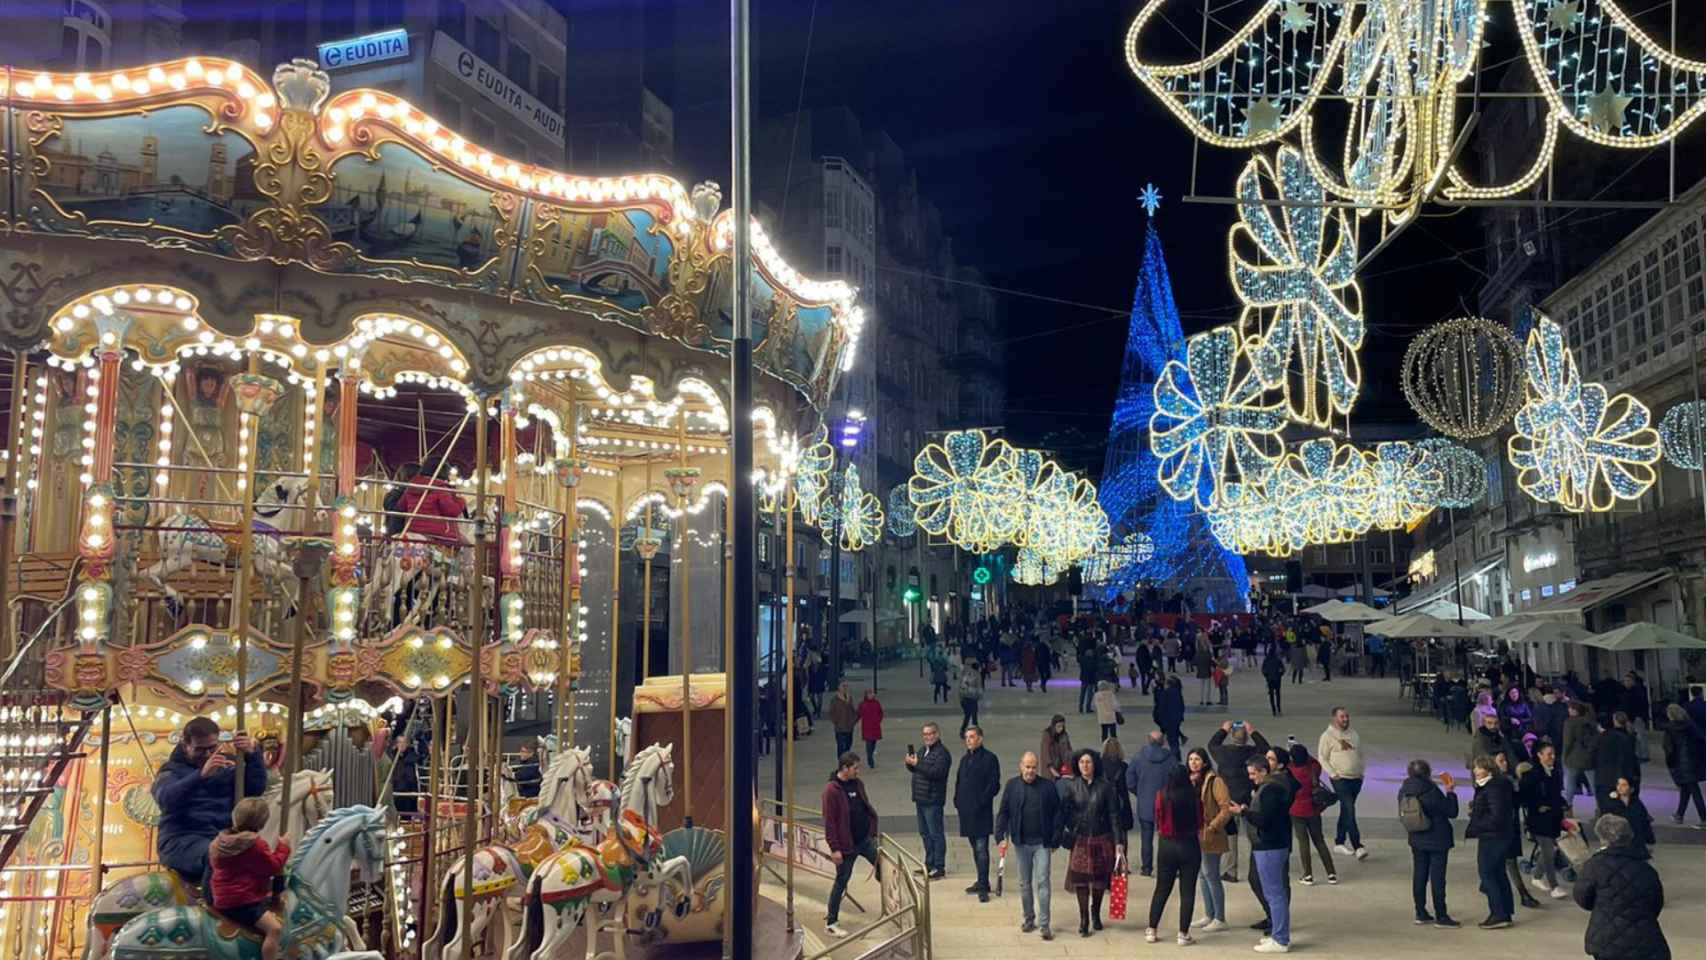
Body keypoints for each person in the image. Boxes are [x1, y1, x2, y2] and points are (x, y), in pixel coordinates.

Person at [152, 717, 269, 893]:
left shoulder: (226, 764)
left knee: (259, 856)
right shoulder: (171, 770)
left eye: (212, 748)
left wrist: (253, 756)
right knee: (218, 853)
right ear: (185, 745)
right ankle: (217, 908)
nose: (207, 754)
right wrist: (200, 776)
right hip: (181, 840)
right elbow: (165, 799)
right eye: (200, 749)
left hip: (219, 836)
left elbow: (254, 790)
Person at [1572, 814, 1670, 960]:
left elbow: (1583, 898)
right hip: (1645, 938)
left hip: (1605, 937)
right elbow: (1656, 903)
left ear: (1602, 837)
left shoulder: (1594, 866)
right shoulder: (1646, 868)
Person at [209, 798, 291, 960]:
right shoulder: (253, 844)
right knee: (275, 929)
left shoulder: (220, 841)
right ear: (261, 821)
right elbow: (274, 866)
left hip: (222, 896)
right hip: (243, 901)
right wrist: (284, 846)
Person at [995, 751, 1062, 940]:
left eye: (1033, 767)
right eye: (1027, 766)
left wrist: (1056, 838)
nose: (1030, 771)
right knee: (1024, 884)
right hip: (1021, 843)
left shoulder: (1048, 787)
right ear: (1021, 766)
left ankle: (1044, 924)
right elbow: (1004, 812)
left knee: (1042, 882)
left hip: (1042, 843)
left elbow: (1058, 813)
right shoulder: (1012, 786)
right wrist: (1000, 834)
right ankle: (1028, 918)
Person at [1059, 749, 1126, 938]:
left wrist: (1118, 842)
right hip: (1080, 839)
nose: (1085, 766)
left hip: (1101, 837)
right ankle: (1084, 919)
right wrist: (1066, 830)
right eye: (1081, 762)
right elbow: (1064, 812)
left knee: (1098, 881)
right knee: (1080, 881)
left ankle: (1095, 912)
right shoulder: (1072, 786)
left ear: (1095, 764)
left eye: (1088, 762)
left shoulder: (1106, 787)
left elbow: (1114, 815)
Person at [820, 753, 881, 938]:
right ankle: (831, 921)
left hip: (864, 840)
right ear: (845, 768)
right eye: (855, 767)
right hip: (847, 846)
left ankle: (893, 905)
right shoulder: (831, 790)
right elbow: (829, 822)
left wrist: (871, 830)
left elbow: (864, 806)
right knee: (841, 881)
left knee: (883, 868)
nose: (858, 771)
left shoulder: (858, 784)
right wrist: (835, 849)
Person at [1238, 758, 1293, 953]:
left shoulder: (1270, 791)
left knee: (1275, 894)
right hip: (1274, 846)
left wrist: (1244, 812)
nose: (1251, 778)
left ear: (1263, 771)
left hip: (1269, 846)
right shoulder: (1275, 788)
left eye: (1253, 773)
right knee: (1276, 893)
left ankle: (1280, 939)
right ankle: (1279, 935)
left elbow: (1265, 820)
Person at [1398, 759, 1460, 927]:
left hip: (1416, 837)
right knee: (1438, 878)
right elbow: (1451, 812)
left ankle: (1420, 912)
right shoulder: (1431, 791)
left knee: (1419, 875)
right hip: (1437, 838)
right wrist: (1450, 792)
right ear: (1427, 773)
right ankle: (1441, 915)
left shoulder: (1404, 790)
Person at [1208, 721, 1270, 882]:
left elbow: (1212, 744)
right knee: (1254, 835)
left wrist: (1223, 729)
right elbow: (1265, 748)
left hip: (1228, 799)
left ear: (1231, 736)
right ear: (1246, 737)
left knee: (1230, 835)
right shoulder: (1253, 752)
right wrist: (1253, 731)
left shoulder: (1223, 752)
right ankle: (1258, 869)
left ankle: (1231, 871)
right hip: (1248, 799)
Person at [1147, 764, 1202, 944]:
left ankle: (1152, 929)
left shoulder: (1162, 795)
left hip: (1167, 845)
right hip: (1189, 844)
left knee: (1162, 888)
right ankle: (1183, 933)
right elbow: (1200, 820)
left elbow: (1158, 817)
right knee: (1187, 891)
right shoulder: (1193, 796)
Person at [1465, 754, 1516, 929]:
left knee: (1487, 874)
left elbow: (1497, 816)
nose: (1474, 771)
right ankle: (1505, 912)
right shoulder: (1493, 785)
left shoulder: (1492, 787)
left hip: (1493, 836)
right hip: (1497, 835)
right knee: (1498, 873)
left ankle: (1498, 913)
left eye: (1478, 768)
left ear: (1487, 769)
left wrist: (1477, 822)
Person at [1186, 747, 1232, 933]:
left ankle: (1220, 917)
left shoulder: (1214, 780)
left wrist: (1213, 827)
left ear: (1205, 762)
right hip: (1195, 835)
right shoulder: (1191, 781)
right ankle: (1209, 914)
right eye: (1190, 759)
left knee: (1211, 874)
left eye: (1197, 759)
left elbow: (1225, 808)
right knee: (1202, 875)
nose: (1193, 763)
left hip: (1211, 835)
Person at [953, 725, 1001, 901]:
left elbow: (994, 784)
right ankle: (983, 881)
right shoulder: (965, 759)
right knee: (975, 848)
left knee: (981, 848)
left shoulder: (989, 758)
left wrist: (981, 802)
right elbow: (959, 781)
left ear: (980, 738)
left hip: (980, 811)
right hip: (966, 812)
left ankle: (983, 887)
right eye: (967, 737)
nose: (969, 740)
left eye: (972, 737)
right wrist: (957, 800)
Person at [1315, 706, 1367, 861]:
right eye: (1342, 717)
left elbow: (1359, 753)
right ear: (1334, 718)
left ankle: (1339, 841)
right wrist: (1332, 773)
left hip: (1356, 778)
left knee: (1346, 810)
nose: (1345, 719)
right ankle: (1358, 845)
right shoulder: (1327, 736)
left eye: (1347, 716)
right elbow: (1322, 757)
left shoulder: (1353, 734)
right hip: (1340, 779)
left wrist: (1361, 771)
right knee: (1350, 809)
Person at [1518, 742, 1569, 899]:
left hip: (1553, 817)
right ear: (1539, 755)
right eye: (1549, 754)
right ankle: (1554, 886)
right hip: (1538, 819)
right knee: (1548, 850)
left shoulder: (1555, 772)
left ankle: (1537, 876)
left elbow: (1556, 794)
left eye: (1553, 754)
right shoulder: (1531, 775)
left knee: (1550, 850)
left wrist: (1564, 805)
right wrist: (1539, 805)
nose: (1552, 757)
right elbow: (1525, 798)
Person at [1284, 744, 1337, 885]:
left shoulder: (1290, 771)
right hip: (1313, 810)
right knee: (1319, 841)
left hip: (1296, 811)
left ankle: (1308, 874)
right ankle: (1331, 873)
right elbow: (1315, 762)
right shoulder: (1313, 769)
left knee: (1303, 843)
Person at [906, 722, 951, 879]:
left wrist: (918, 764)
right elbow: (918, 769)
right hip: (921, 798)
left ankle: (939, 866)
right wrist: (910, 764)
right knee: (925, 833)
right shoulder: (923, 750)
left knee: (935, 833)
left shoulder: (943, 754)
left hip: (933, 799)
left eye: (930, 734)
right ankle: (929, 863)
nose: (927, 737)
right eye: (925, 734)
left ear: (937, 734)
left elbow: (935, 773)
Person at [1127, 730, 1174, 877]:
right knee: (1166, 837)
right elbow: (1176, 779)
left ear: (1148, 740)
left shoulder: (1138, 758)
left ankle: (1146, 868)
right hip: (1166, 803)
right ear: (1163, 741)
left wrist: (1139, 792)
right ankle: (1165, 867)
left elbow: (1129, 780)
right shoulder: (1170, 759)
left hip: (1145, 803)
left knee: (1146, 837)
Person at [1659, 702, 1706, 827]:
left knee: (1693, 790)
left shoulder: (1670, 729)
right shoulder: (1691, 726)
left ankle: (1703, 817)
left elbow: (1668, 749)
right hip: (1693, 761)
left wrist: (1670, 763)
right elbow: (1702, 740)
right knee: (1688, 788)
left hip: (1680, 763)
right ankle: (1679, 814)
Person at [1592, 712, 1641, 811]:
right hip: (1624, 775)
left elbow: (1594, 754)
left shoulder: (1605, 737)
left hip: (1606, 776)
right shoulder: (1629, 736)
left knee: (1609, 804)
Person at [1600, 776, 1656, 846]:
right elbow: (1604, 823)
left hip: (1636, 842)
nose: (1619, 787)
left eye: (1623, 785)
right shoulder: (1611, 803)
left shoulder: (1636, 803)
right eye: (1618, 784)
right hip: (1617, 842)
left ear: (1631, 789)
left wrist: (1649, 839)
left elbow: (1644, 822)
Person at [1564, 701, 1599, 805]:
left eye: (1570, 708)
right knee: (1594, 785)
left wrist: (1564, 756)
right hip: (1589, 758)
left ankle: (1568, 808)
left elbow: (1567, 741)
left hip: (1574, 757)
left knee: (1570, 785)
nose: (1568, 710)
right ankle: (1601, 808)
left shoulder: (1570, 722)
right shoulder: (1590, 721)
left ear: (1575, 710)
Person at [1154, 675, 1186, 759]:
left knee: (1172, 740)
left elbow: (1161, 707)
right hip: (1176, 719)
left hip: (1168, 720)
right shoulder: (1178, 692)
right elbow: (1182, 707)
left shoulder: (1166, 693)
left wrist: (1160, 719)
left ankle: (1175, 757)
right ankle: (1177, 756)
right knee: (1174, 738)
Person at [829, 682, 858, 760]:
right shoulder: (834, 699)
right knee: (840, 746)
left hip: (849, 726)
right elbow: (831, 712)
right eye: (843, 686)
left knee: (848, 745)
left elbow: (853, 711)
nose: (845, 688)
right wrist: (836, 721)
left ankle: (846, 760)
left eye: (846, 686)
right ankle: (841, 761)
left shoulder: (850, 698)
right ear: (839, 688)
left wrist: (854, 720)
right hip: (839, 727)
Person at [1039, 714, 1073, 779]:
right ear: (1053, 726)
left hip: (1061, 767)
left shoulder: (1064, 735)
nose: (1061, 729)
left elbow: (1069, 750)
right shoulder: (1047, 735)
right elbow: (1045, 753)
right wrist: (1051, 769)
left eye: (1062, 726)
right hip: (1049, 769)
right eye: (1058, 726)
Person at [857, 688, 884, 769]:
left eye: (872, 693)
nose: (871, 695)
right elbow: (859, 713)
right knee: (869, 744)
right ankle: (870, 760)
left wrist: (878, 720)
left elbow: (880, 712)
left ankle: (870, 756)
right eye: (869, 694)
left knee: (873, 743)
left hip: (875, 727)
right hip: (867, 727)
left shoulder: (876, 703)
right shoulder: (862, 704)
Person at [957, 658, 984, 736]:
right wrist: (980, 696)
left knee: (968, 715)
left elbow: (962, 686)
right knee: (974, 714)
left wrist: (961, 696)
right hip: (972, 697)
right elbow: (979, 687)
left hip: (964, 696)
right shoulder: (977, 675)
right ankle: (975, 730)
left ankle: (963, 730)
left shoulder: (966, 674)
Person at [1262, 647, 1285, 717]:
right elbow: (1283, 669)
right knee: (1278, 694)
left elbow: (1263, 670)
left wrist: (1266, 676)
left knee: (1271, 695)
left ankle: (1273, 710)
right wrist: (1280, 675)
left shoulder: (1266, 660)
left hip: (1270, 679)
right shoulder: (1278, 660)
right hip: (1277, 679)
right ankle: (1279, 708)